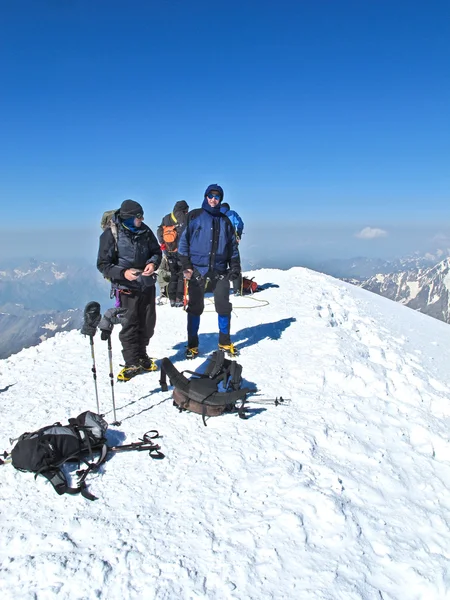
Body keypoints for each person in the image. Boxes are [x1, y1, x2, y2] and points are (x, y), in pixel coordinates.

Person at [97, 199, 162, 381]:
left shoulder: (145, 231)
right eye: (138, 216)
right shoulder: (111, 235)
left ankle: (142, 356)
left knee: (148, 322)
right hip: (125, 287)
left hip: (146, 284)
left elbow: (157, 252)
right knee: (130, 324)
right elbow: (103, 264)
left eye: (142, 216)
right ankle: (131, 362)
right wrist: (123, 273)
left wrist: (152, 263)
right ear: (128, 218)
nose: (141, 219)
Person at [178, 184, 241, 359]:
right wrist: (186, 265)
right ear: (206, 197)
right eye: (211, 196)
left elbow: (232, 247)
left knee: (223, 306)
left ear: (220, 199)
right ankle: (192, 345)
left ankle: (224, 341)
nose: (213, 200)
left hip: (219, 270)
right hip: (197, 270)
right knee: (195, 307)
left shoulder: (225, 221)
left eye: (217, 197)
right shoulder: (195, 216)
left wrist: (235, 266)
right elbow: (183, 243)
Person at [157, 200, 189, 307]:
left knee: (173, 274)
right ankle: (179, 298)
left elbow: (159, 232)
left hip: (169, 251)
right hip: (180, 252)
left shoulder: (166, 218)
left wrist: (164, 247)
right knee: (181, 275)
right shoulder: (184, 218)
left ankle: (171, 299)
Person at [220, 202, 244, 295]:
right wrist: (239, 234)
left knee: (221, 267)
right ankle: (237, 289)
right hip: (232, 244)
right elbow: (240, 224)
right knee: (235, 265)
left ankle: (222, 289)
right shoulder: (232, 213)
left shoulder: (216, 214)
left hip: (219, 246)